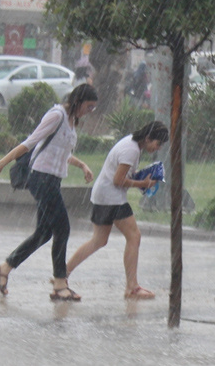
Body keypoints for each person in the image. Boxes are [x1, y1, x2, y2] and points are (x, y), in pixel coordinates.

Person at [0, 84, 98, 301]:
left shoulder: (71, 121)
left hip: (52, 180)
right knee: (63, 229)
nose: (90, 111)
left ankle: (3, 269)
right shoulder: (57, 115)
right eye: (89, 106)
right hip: (41, 178)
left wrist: (82, 165)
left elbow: (60, 152)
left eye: (93, 108)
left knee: (44, 233)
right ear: (78, 100)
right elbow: (30, 143)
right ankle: (59, 284)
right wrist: (1, 163)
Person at [66, 121, 169, 299]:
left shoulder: (130, 143)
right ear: (148, 138)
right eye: (157, 143)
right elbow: (118, 180)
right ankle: (132, 287)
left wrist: (138, 178)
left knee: (98, 240)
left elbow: (121, 175)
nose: (157, 148)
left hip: (103, 196)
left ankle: (63, 274)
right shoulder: (132, 150)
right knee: (134, 236)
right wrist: (143, 183)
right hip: (112, 197)